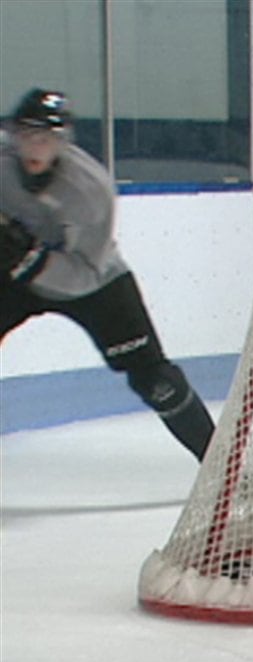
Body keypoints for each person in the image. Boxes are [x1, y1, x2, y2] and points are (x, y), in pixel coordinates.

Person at [0, 87, 215, 462]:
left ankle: (221, 466)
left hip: (93, 283)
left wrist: (30, 261)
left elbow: (86, 273)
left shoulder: (91, 189)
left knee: (155, 380)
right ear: (13, 134)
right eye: (28, 135)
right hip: (16, 277)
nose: (36, 148)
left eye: (48, 138)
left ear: (63, 142)